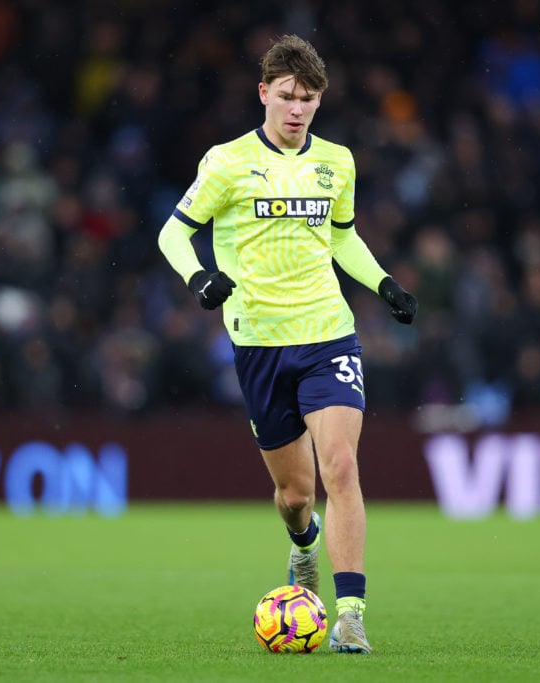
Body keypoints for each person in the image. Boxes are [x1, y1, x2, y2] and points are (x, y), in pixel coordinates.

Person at [157, 34, 417, 654]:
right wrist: (201, 278)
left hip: (328, 333)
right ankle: (304, 547)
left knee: (342, 467)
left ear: (320, 100)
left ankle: (350, 613)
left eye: (309, 99)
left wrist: (384, 285)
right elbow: (173, 233)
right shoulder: (226, 162)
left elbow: (343, 239)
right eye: (287, 96)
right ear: (264, 94)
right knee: (295, 494)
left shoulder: (338, 163)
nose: (297, 109)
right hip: (260, 345)